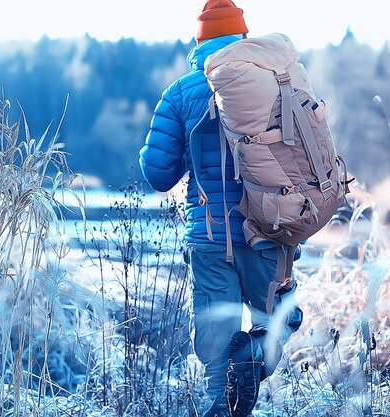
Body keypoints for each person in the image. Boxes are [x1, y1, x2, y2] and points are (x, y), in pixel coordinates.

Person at [139, 1, 303, 416]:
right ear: (244, 38)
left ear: (199, 42)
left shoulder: (180, 93)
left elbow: (157, 175)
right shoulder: (278, 81)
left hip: (210, 237)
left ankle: (221, 405)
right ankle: (253, 354)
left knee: (215, 346)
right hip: (270, 229)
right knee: (273, 322)